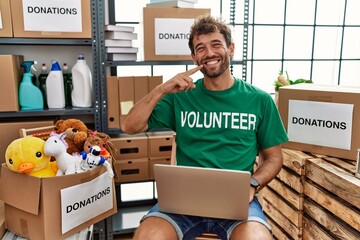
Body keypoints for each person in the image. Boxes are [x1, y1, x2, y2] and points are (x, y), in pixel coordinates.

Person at [121, 15, 288, 240]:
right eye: (201, 48)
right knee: (147, 236)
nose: (209, 53)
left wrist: (252, 184)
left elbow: (274, 158)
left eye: (216, 44)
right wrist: (161, 89)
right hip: (182, 204)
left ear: (231, 49)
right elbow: (130, 126)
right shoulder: (180, 97)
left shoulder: (259, 100)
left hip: (237, 204)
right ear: (194, 57)